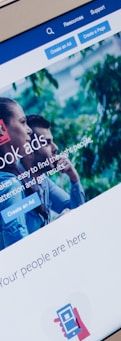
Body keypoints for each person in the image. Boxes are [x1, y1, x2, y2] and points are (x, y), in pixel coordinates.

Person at [20, 114, 85, 232]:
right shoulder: (14, 186)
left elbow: (76, 210)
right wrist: (53, 228)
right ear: (28, 147)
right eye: (46, 142)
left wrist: (73, 176)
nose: (55, 148)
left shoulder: (43, 181)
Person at [0, 97, 31, 249]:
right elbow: (19, 249)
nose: (29, 130)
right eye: (23, 122)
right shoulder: (9, 185)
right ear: (1, 129)